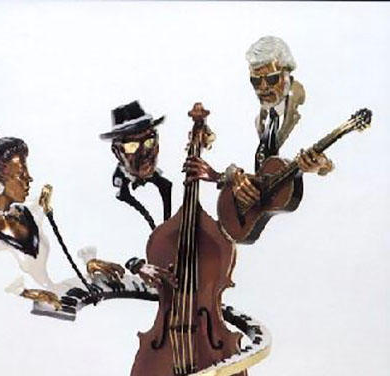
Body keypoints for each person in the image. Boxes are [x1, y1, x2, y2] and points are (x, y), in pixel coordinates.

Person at [184, 36, 334, 233]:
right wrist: (228, 175)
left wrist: (322, 166)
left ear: (287, 73)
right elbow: (264, 175)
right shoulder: (260, 118)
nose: (263, 88)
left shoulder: (310, 108)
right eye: (255, 81)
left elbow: (332, 165)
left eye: (271, 79)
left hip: (312, 225)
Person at [0, 132, 124, 309]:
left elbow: (60, 256)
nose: (29, 178)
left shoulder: (29, 213)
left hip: (62, 301)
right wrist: (28, 293)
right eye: (20, 174)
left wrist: (88, 263)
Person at [100, 100, 172, 230]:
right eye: (132, 146)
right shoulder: (107, 201)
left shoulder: (168, 185)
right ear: (117, 152)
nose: (144, 152)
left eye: (149, 142)